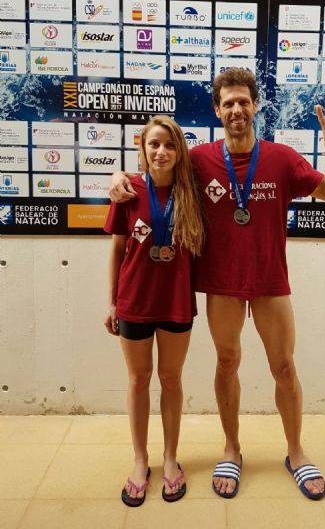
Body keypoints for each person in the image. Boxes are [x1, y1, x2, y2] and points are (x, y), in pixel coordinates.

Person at [109, 68, 325, 501]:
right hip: (220, 284)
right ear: (217, 110)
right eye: (228, 103)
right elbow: (156, 171)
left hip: (270, 282)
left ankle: (296, 452)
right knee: (227, 362)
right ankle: (231, 449)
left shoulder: (282, 158)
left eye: (243, 101)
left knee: (285, 367)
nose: (236, 109)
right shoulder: (199, 160)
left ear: (255, 106)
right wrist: (119, 178)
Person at [104, 115, 203, 506]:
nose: (162, 151)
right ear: (143, 149)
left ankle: (171, 457)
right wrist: (112, 302)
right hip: (135, 302)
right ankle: (141, 460)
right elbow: (117, 250)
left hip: (176, 302)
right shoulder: (127, 192)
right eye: (154, 144)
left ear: (180, 151)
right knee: (138, 379)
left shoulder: (192, 192)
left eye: (170, 144)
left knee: (171, 379)